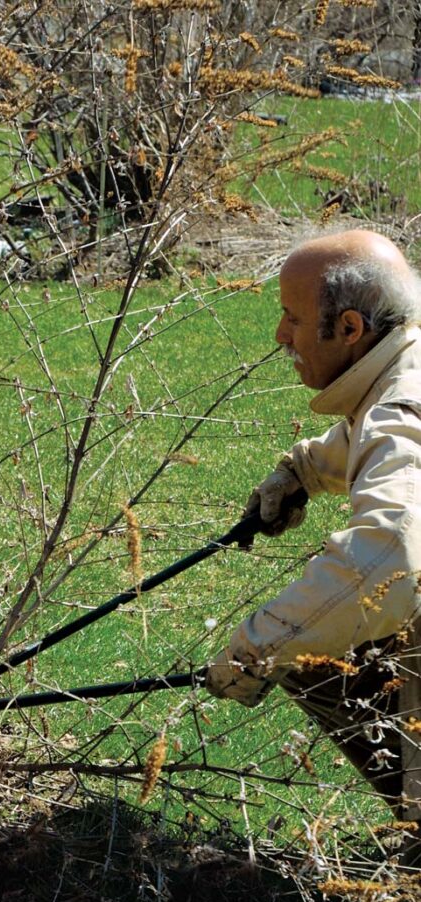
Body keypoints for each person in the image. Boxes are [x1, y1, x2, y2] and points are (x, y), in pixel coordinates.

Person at [204, 229, 421, 865]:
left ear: (350, 328)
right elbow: (376, 448)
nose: (280, 336)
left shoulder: (401, 405)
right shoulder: (403, 372)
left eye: (293, 319)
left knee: (328, 630)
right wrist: (301, 470)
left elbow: (390, 556)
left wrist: (260, 648)